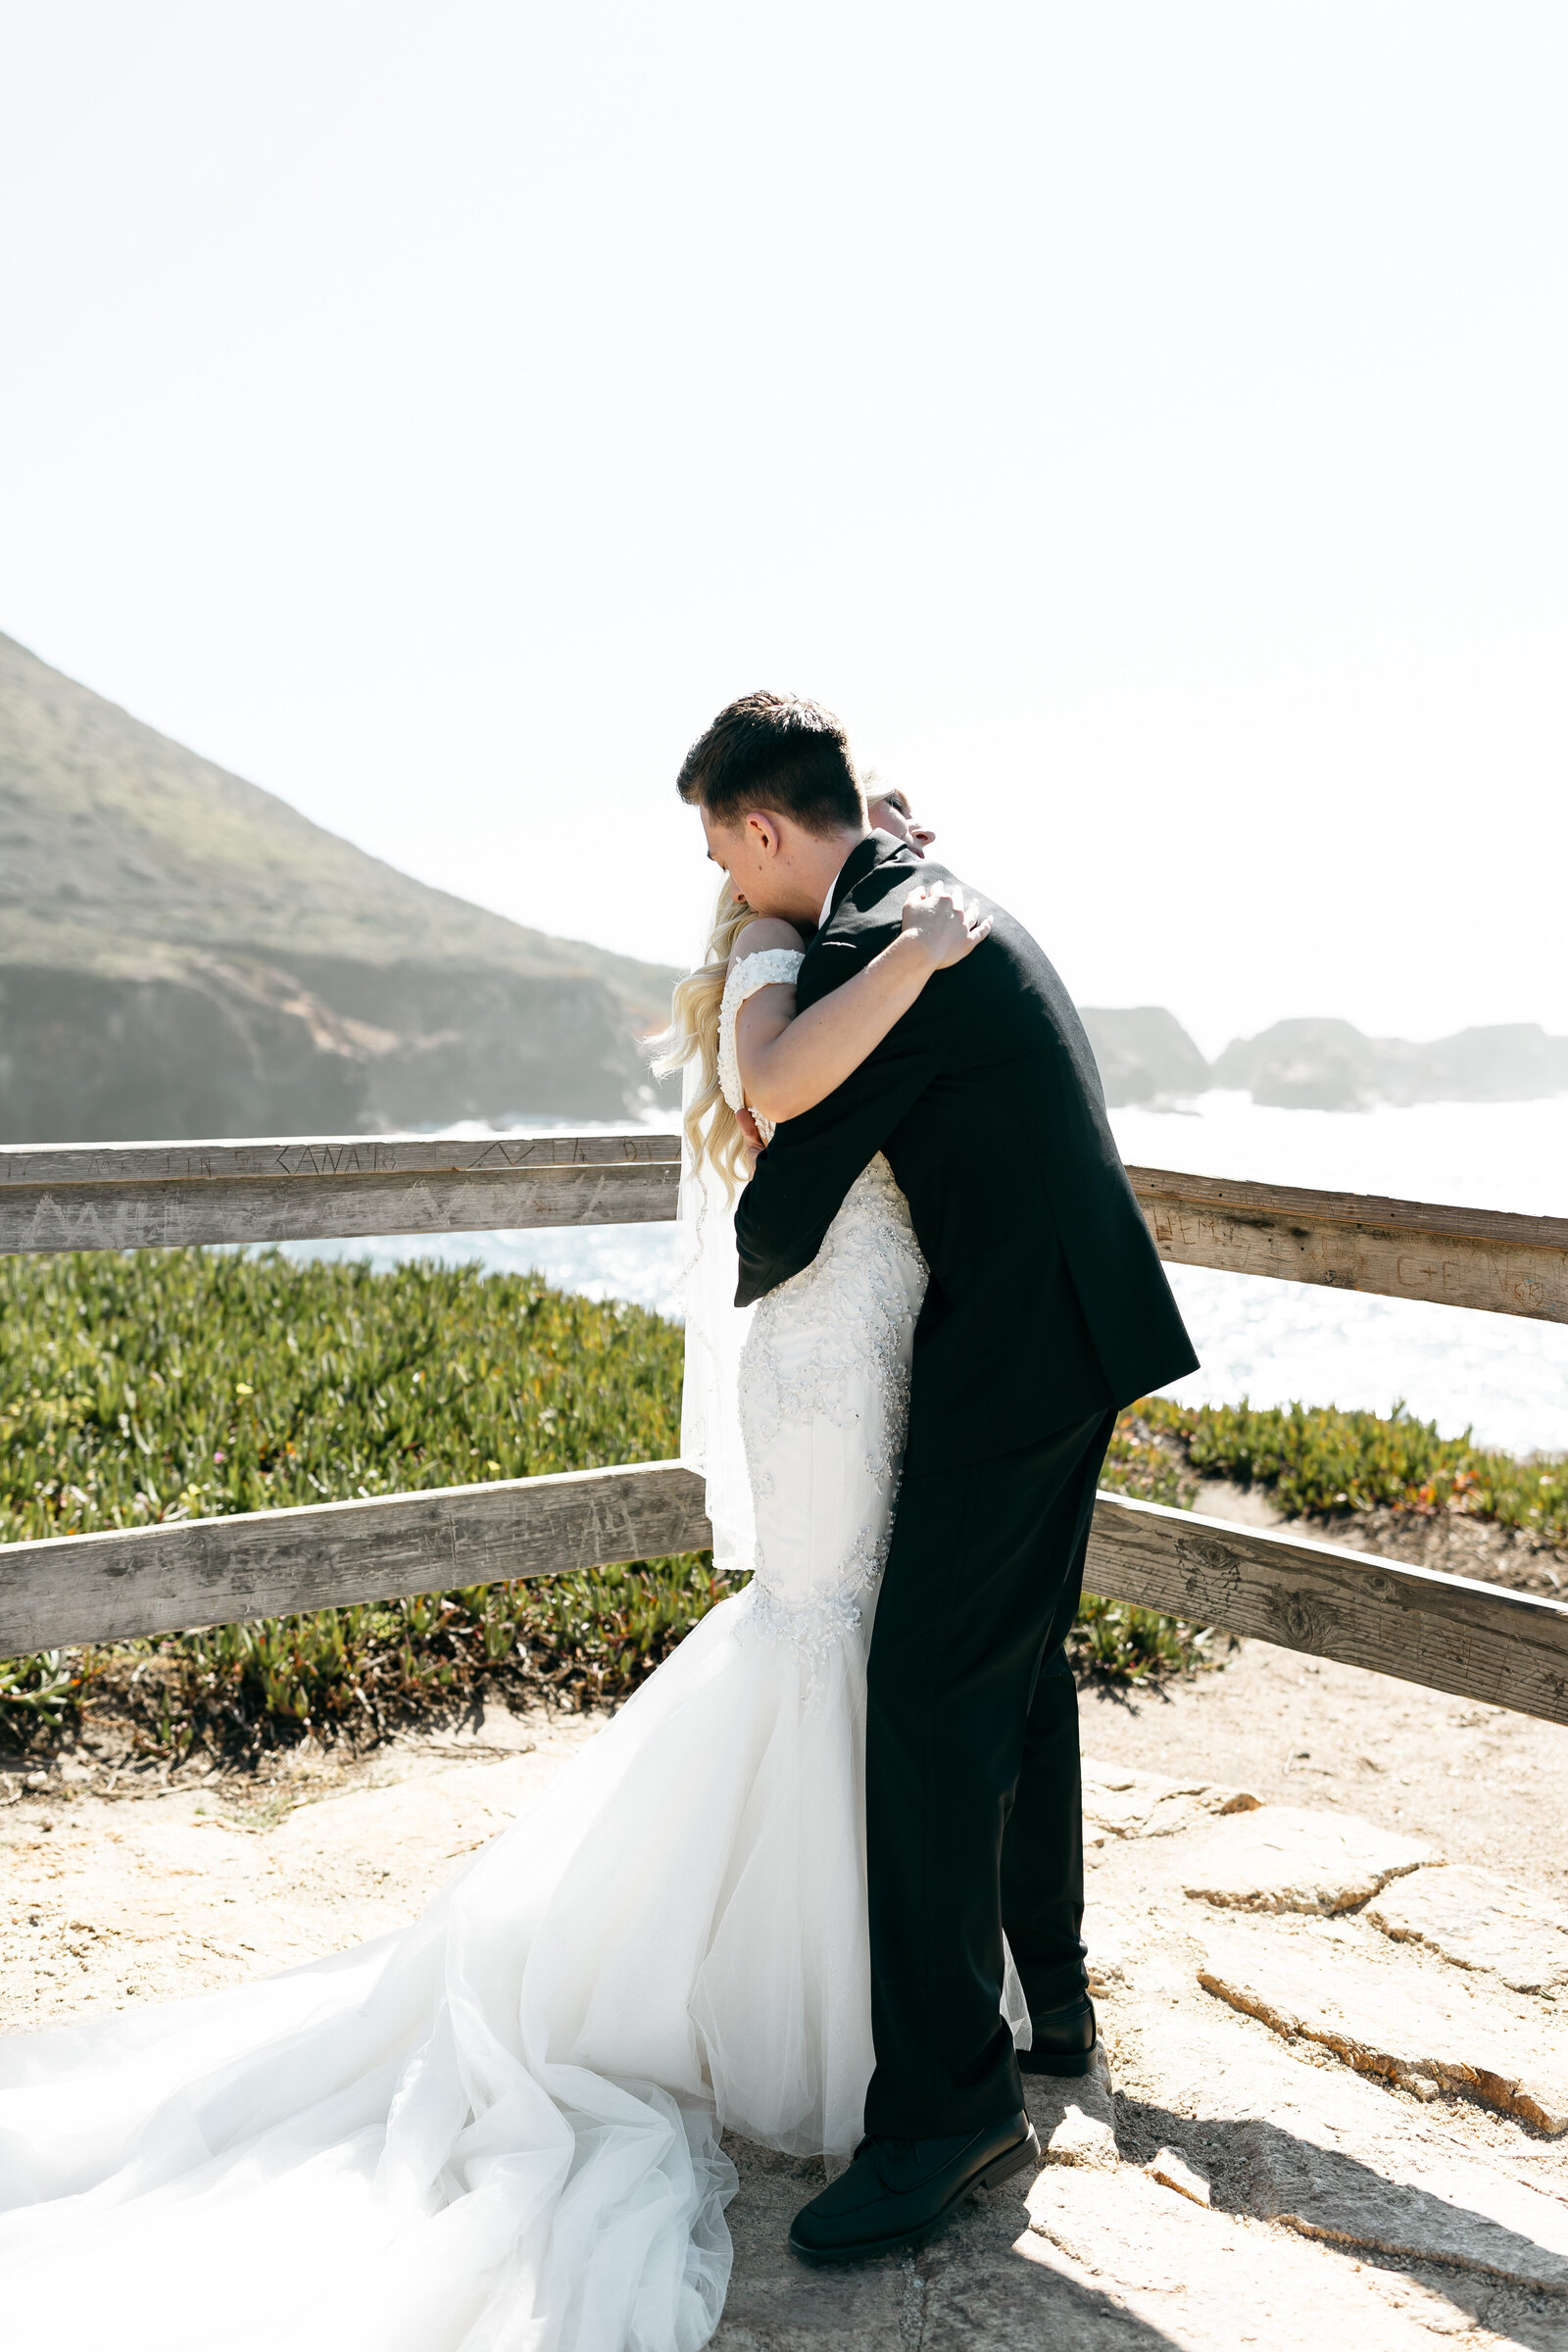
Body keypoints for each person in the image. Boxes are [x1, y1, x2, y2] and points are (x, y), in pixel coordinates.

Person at [0, 753, 996, 2351]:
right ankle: (814, 2025)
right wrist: (914, 952)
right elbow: (775, 1091)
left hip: (881, 1330)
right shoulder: (764, 941)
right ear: (763, 842)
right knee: (819, 1629)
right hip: (825, 1350)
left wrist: (892, 895)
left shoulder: (842, 907)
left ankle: (887, 1991)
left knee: (852, 1636)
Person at [679, 689, 1198, 2265]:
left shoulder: (876, 940)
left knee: (921, 1703)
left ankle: (946, 2111)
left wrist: (766, 1264)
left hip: (1023, 1350)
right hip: (1068, 1325)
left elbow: (800, 1145)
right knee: (1017, 1673)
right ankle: (1051, 2004)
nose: (723, 877)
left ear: (765, 828)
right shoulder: (922, 905)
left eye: (719, 844)